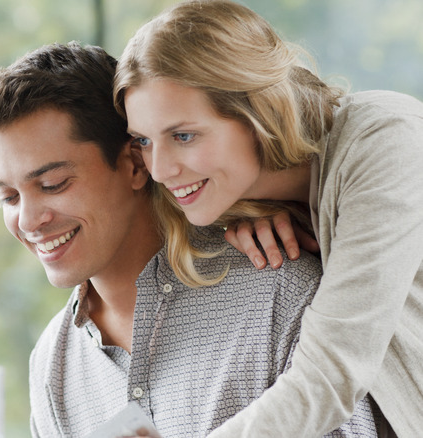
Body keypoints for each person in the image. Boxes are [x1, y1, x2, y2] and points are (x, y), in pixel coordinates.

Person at [0, 41, 381, 437]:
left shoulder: (276, 292)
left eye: (54, 184)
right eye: (8, 196)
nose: (29, 220)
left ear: (134, 164)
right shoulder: (51, 365)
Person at [114, 1, 423, 436]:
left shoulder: (387, 141)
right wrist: (241, 216)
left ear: (259, 110)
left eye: (184, 136)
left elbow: (330, 377)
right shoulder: (240, 204)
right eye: (143, 141)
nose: (161, 169)